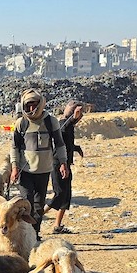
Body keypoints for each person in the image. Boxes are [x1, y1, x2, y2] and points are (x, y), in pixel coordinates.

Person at [9, 89, 67, 234]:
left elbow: (59, 144)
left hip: (43, 170)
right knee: (26, 204)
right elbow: (15, 146)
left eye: (33, 104)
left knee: (38, 206)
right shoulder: (21, 123)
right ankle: (23, 234)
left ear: (40, 104)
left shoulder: (50, 121)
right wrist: (14, 167)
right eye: (27, 105)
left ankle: (34, 235)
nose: (31, 108)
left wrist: (63, 163)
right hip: (25, 170)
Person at [46, 100, 87, 233]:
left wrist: (76, 148)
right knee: (59, 195)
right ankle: (36, 216)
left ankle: (57, 226)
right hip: (58, 164)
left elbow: (66, 143)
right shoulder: (62, 124)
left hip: (65, 165)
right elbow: (60, 139)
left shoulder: (69, 126)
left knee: (66, 196)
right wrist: (73, 118)